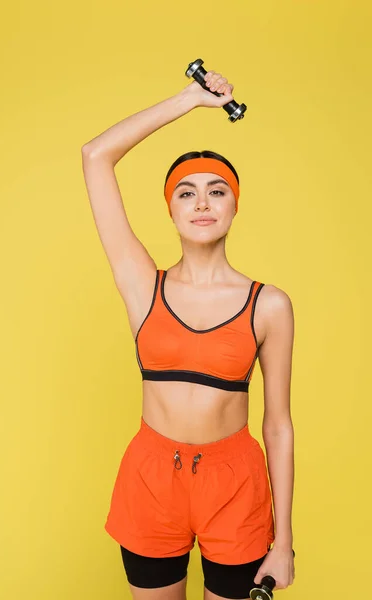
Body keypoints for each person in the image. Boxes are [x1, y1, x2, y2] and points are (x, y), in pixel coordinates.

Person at [81, 68, 295, 600]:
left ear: (235, 204)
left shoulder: (268, 305)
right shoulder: (142, 287)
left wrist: (284, 540)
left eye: (217, 191)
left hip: (236, 482)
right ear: (170, 208)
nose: (202, 203)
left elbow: (279, 425)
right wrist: (189, 100)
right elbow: (95, 156)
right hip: (151, 478)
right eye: (186, 193)